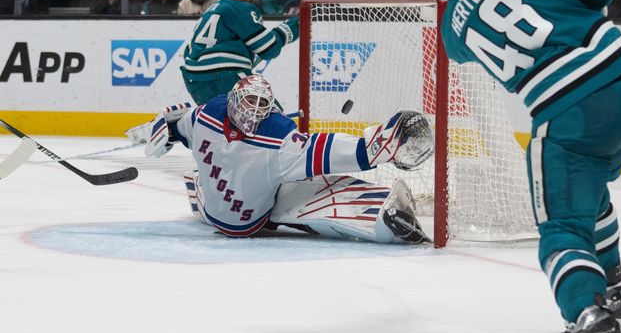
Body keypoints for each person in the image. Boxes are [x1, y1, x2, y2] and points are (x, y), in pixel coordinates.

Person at [431, 0, 621, 333]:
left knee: (561, 229)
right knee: (590, 193)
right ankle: (615, 291)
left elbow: (468, 34)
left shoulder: (451, 27)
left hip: (569, 110)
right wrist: (584, 5)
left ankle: (589, 317)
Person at [135, 75, 432, 244]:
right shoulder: (279, 141)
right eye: (250, 102)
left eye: (261, 105)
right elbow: (332, 151)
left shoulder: (204, 115)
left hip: (211, 212)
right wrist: (377, 147)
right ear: (235, 101)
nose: (253, 111)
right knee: (316, 181)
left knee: (208, 174)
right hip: (250, 221)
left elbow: (180, 126)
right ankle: (368, 211)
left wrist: (166, 126)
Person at [181, 0, 299, 105]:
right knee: (269, 114)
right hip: (225, 75)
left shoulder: (211, 10)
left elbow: (189, 49)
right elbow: (269, 48)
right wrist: (290, 28)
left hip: (194, 81)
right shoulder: (240, 8)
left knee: (220, 123)